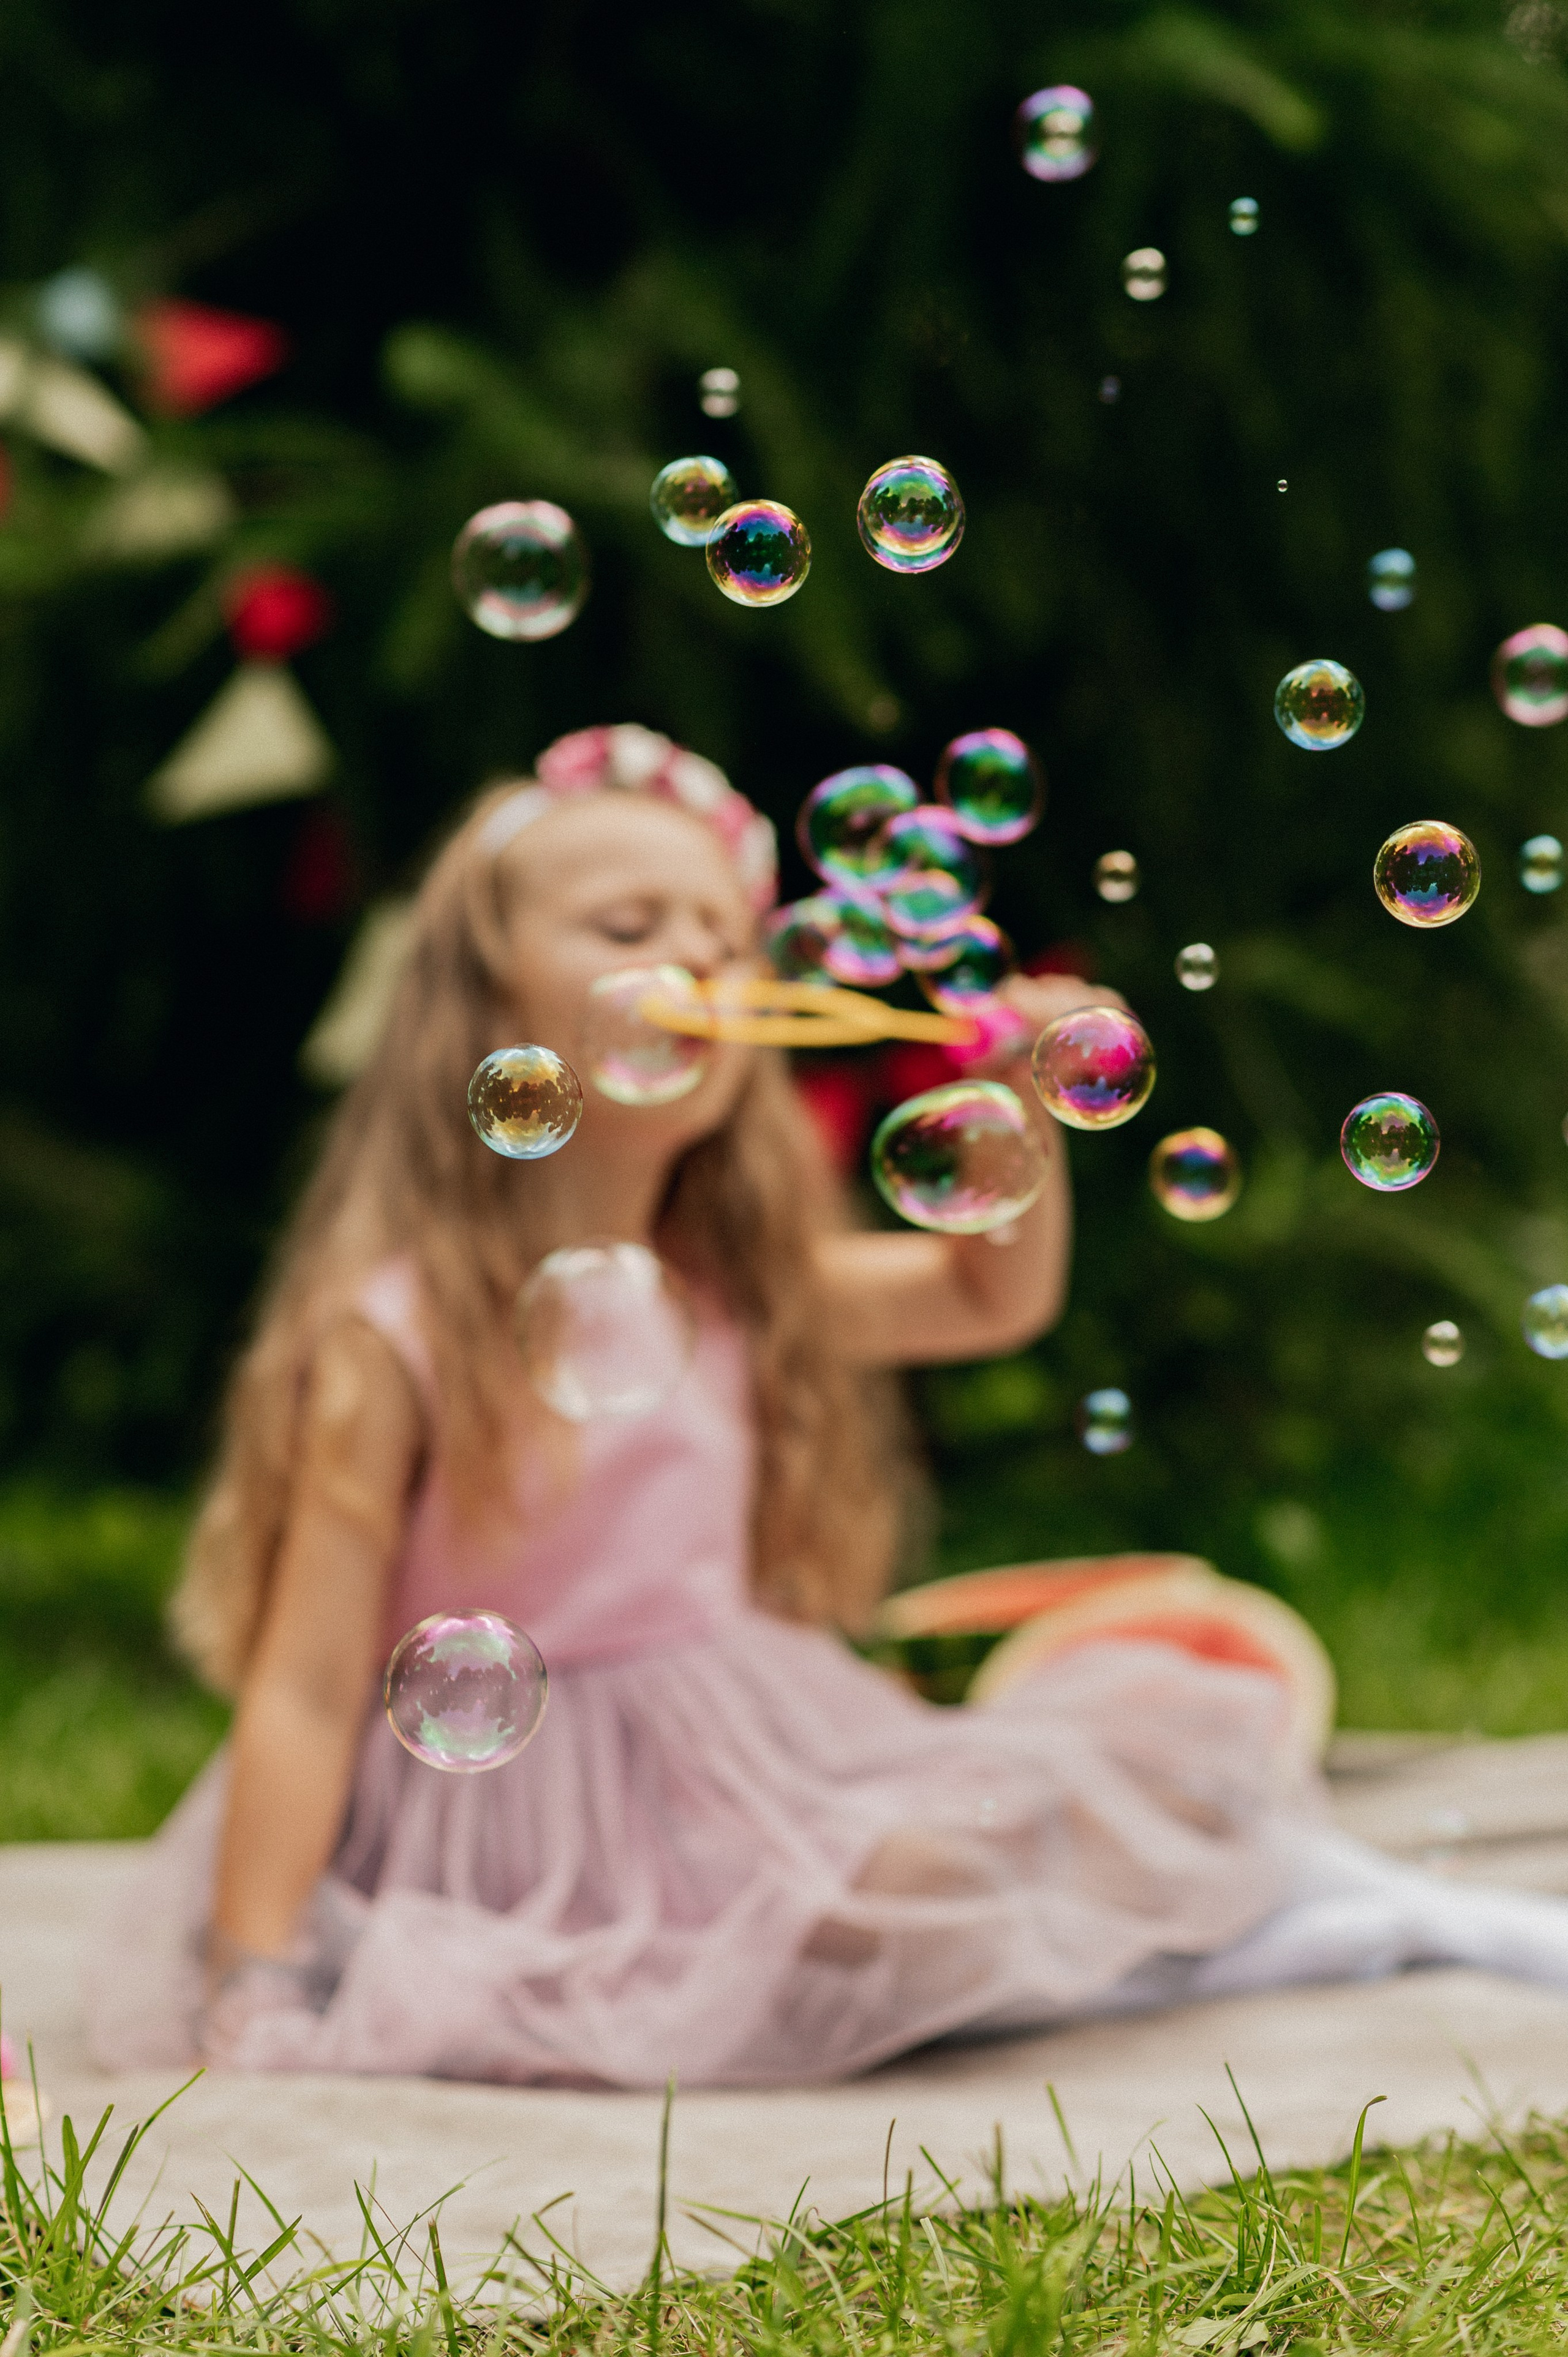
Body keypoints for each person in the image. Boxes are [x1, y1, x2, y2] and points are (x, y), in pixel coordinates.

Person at [88, 725, 1568, 2086]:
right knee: (886, 1902)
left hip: (730, 1749)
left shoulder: (738, 1281)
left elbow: (990, 1298)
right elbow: (303, 1680)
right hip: (502, 1819)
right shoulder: (394, 1334)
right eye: (626, 927)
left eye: (720, 935)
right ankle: (1240, 1932)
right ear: (485, 1003)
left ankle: (1295, 1919)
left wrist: (1022, 1116)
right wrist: (255, 1971)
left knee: (987, 1837)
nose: (691, 963)